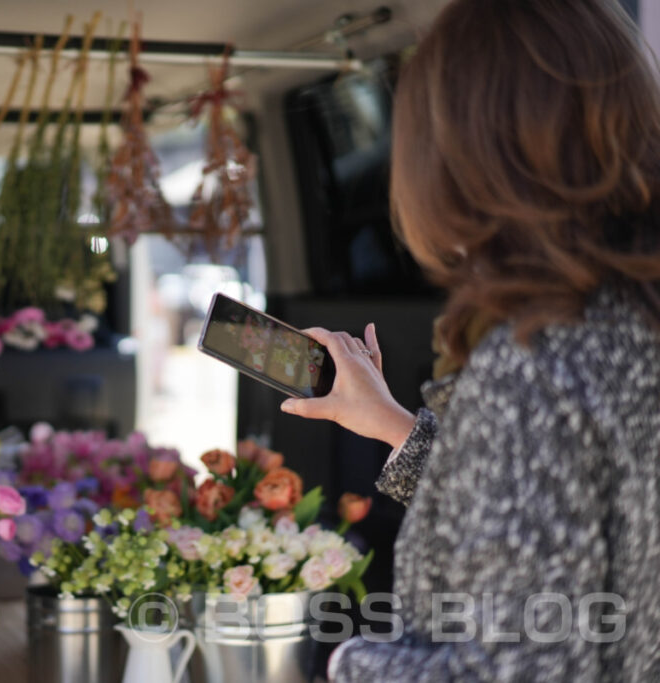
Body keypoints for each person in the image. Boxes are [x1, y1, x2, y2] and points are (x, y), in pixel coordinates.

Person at [280, 0, 660, 680]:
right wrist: (393, 425)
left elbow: (518, 663)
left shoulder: (537, 362)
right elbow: (560, 533)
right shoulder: (630, 319)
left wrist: (351, 661)